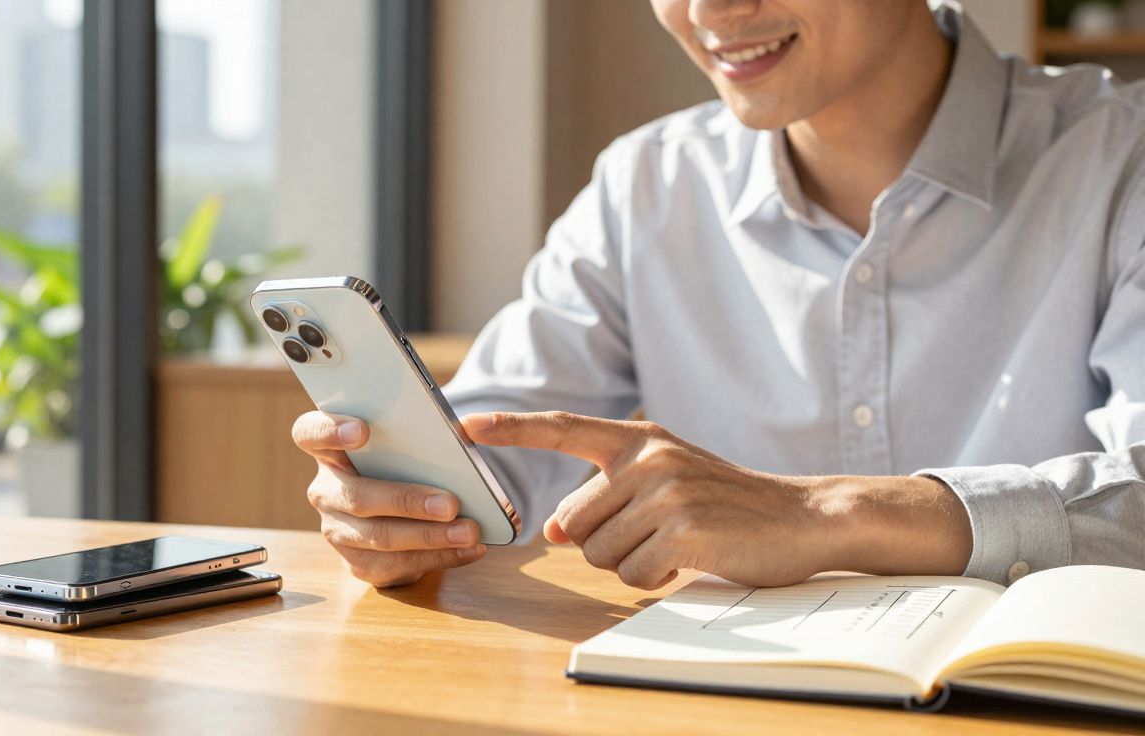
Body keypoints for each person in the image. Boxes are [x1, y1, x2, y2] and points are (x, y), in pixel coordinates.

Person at [292, 0, 1145, 590]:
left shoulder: (1121, 160)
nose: (712, 10)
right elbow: (494, 453)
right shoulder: (646, 185)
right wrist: (407, 506)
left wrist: (824, 515)